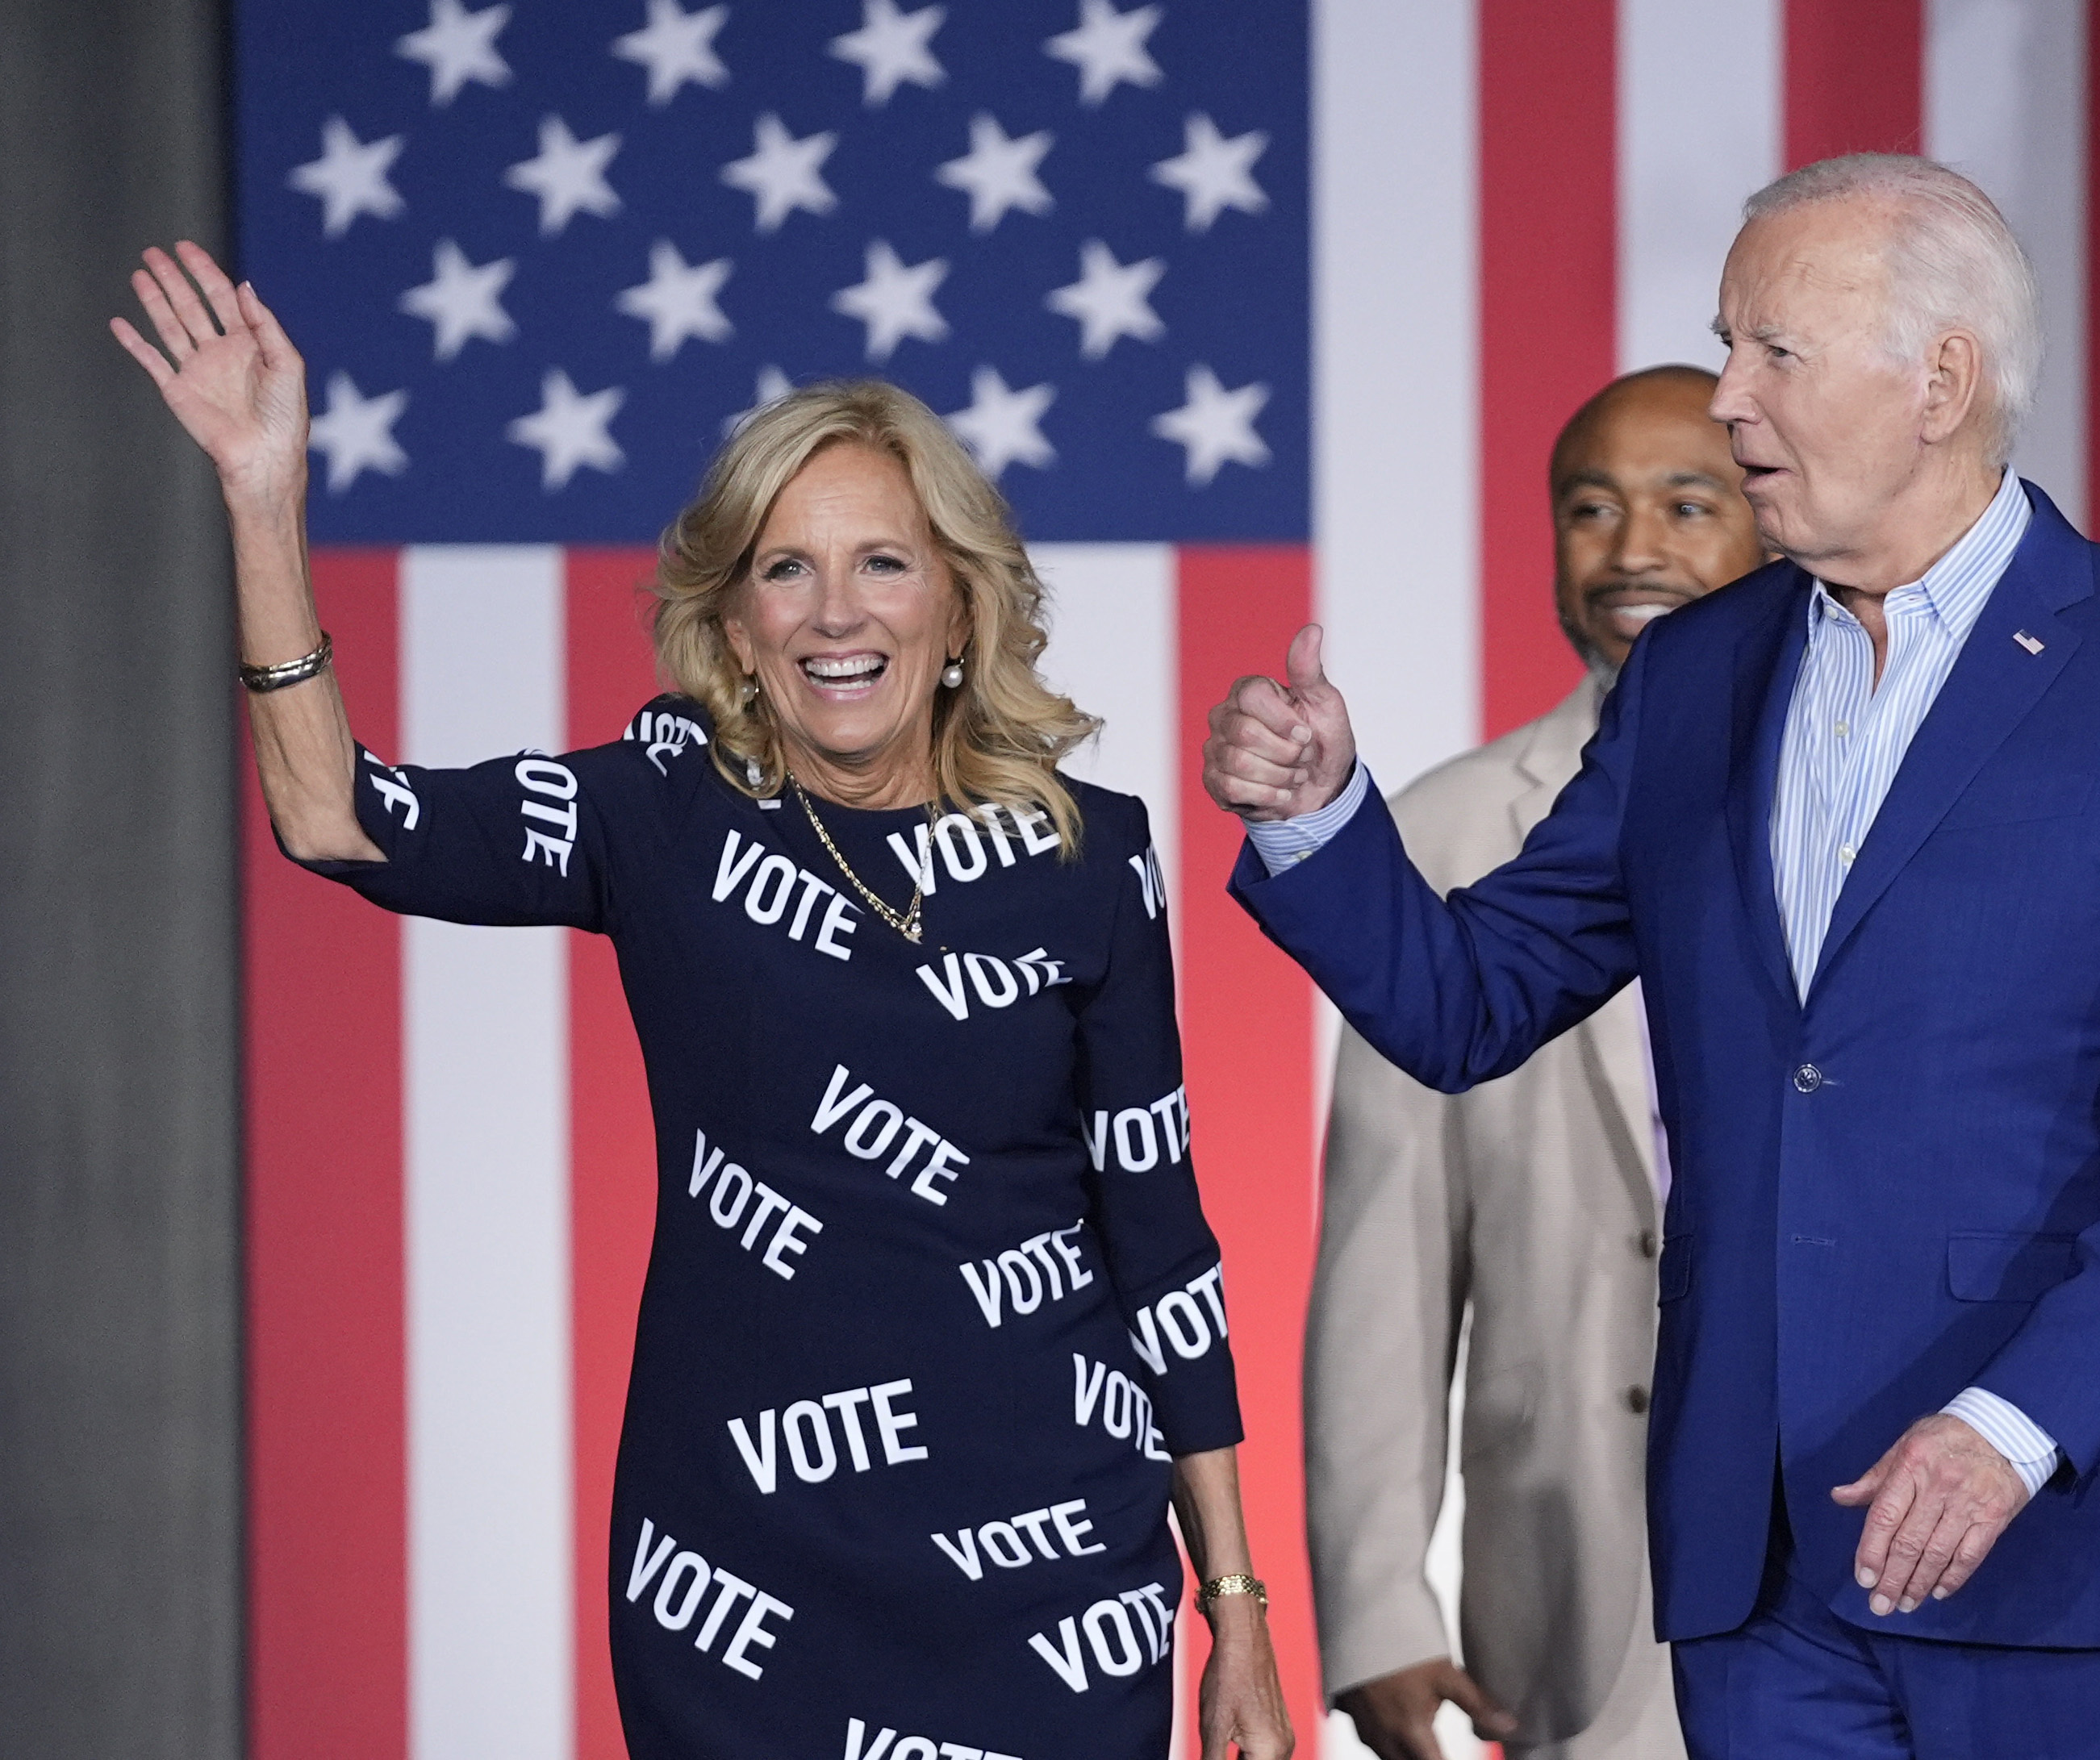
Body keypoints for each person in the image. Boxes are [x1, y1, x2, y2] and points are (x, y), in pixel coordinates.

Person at [114, 240, 1292, 1760]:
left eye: (881, 560)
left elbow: (1161, 1240)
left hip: (1054, 1572)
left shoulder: (1090, 855)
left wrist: (1239, 1604)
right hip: (746, 1572)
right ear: (734, 627)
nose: (830, 611)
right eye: (782, 569)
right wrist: (264, 499)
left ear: (958, 607)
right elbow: (339, 815)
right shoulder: (666, 810)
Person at [1204, 154, 2100, 1760]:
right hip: (1761, 1571)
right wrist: (1321, 820)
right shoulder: (1697, 677)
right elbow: (1470, 998)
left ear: (1938, 379)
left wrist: (2011, 1426)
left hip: (2060, 1552)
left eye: (1771, 351)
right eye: (1728, 346)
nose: (1724, 401)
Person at [1309, 365, 1760, 1760]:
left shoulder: (1863, 806)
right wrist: (1376, 1599)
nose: (1633, 549)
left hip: (1849, 1545)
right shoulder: (1445, 834)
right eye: (1590, 508)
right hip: (1570, 1587)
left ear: (1776, 525)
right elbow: (1384, 1248)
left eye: (1689, 503)